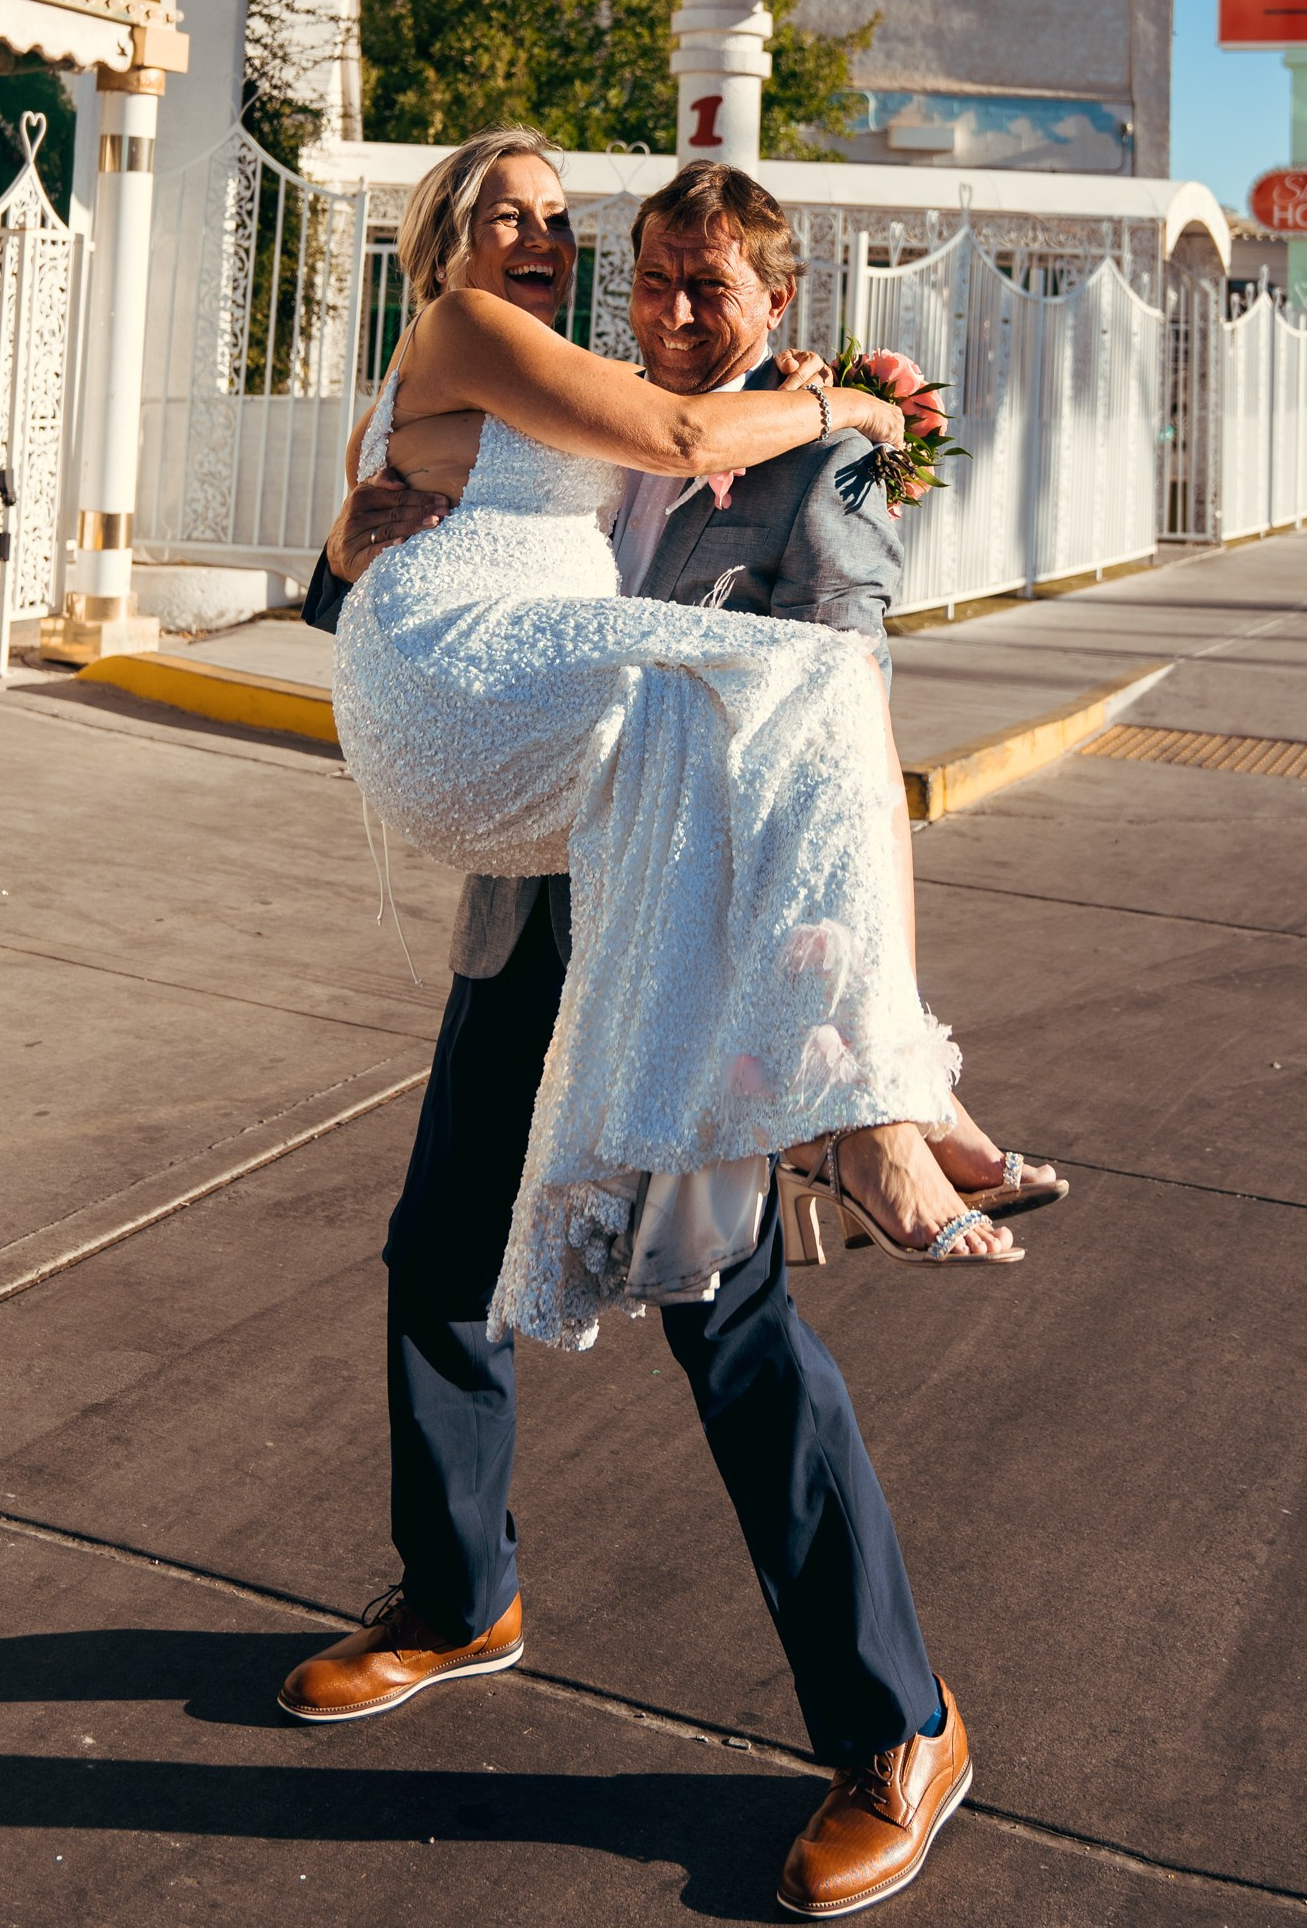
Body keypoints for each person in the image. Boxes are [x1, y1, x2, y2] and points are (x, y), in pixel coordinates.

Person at [279, 140, 1000, 1918]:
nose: (674, 316)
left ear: (780, 309)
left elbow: (836, 720)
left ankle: (899, 1723)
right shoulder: (578, 413)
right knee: (438, 1251)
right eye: (654, 284)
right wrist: (350, 543)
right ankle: (460, 1601)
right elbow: (400, 585)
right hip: (533, 914)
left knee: (721, 1315)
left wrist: (831, 1022)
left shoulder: (819, 469)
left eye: (712, 294)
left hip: (698, 942)